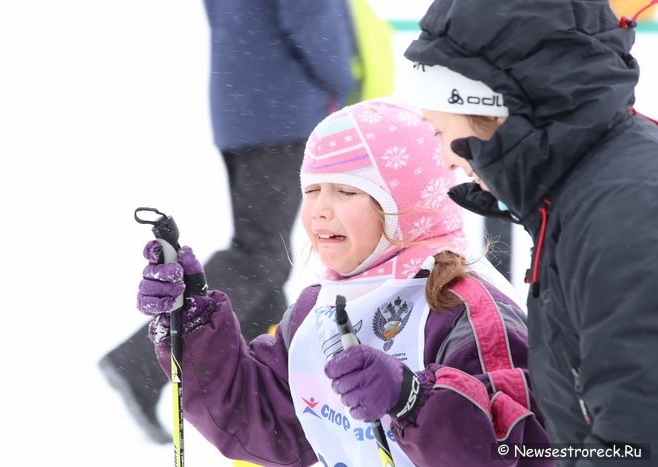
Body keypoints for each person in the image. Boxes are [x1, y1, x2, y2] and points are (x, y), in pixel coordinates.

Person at [136, 98, 553, 466]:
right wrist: (192, 328)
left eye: (347, 191)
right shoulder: (319, 310)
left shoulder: (469, 313)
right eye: (313, 189)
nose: (319, 209)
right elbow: (264, 424)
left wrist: (412, 401)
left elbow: (520, 451)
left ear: (407, 205)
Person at [402, 0, 658, 465]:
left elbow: (639, 438)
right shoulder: (574, 193)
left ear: (492, 109)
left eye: (439, 131)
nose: (444, 159)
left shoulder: (625, 209)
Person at [99, 0, 356, 444]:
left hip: (243, 106)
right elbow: (314, 24)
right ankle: (141, 364)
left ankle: (255, 394)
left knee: (267, 260)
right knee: (258, 253)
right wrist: (346, 79)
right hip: (281, 109)